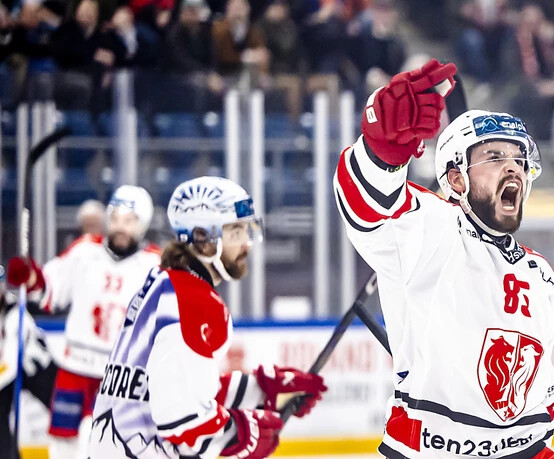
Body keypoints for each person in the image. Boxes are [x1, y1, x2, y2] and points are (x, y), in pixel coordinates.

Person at [334, 59, 554, 458]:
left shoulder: (542, 277)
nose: (513, 168)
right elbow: (369, 206)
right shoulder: (432, 229)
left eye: (518, 160)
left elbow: (535, 390)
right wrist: (383, 150)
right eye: (494, 157)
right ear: (456, 179)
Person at [87, 176, 327, 458]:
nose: (247, 244)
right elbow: (180, 420)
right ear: (203, 239)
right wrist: (242, 433)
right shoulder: (193, 302)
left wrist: (263, 390)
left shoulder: (163, 281)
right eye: (235, 232)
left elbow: (178, 388)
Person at [6, 185, 161, 459]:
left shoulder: (154, 265)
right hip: (74, 366)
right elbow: (49, 290)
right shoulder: (85, 251)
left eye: (129, 221)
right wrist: (30, 277)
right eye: (115, 218)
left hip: (118, 375)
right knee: (61, 443)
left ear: (142, 225)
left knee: (101, 441)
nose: (120, 227)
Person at [0, 265, 58, 459]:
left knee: (64, 418)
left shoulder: (16, 315)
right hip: (15, 374)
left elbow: (10, 365)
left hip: (40, 372)